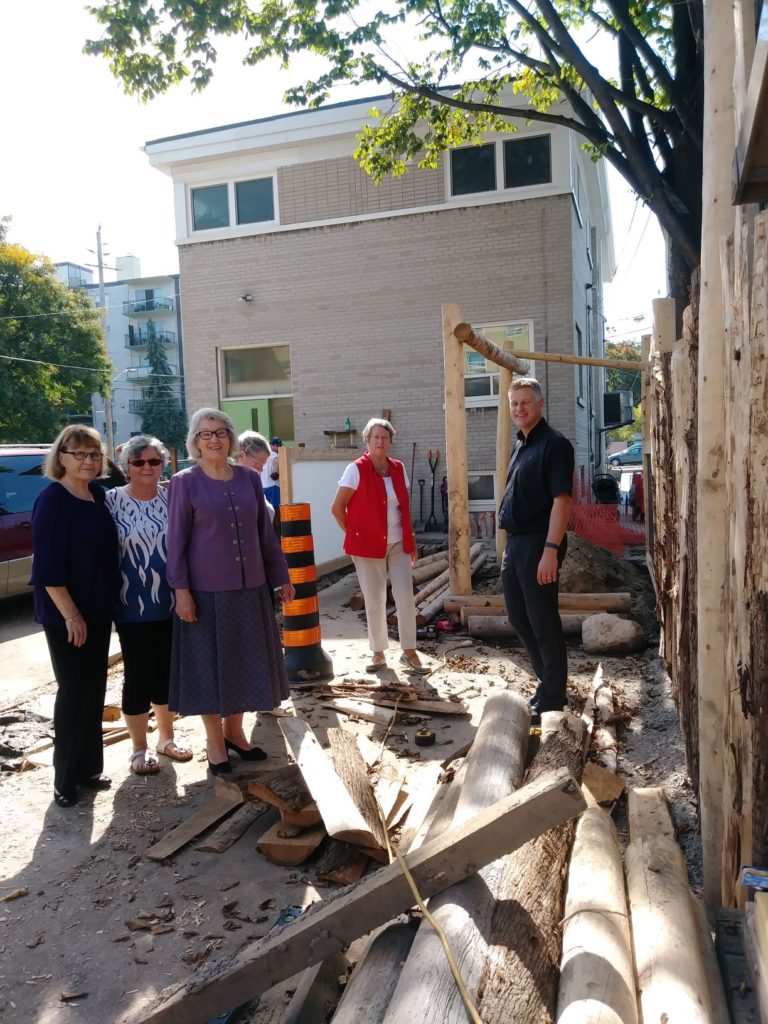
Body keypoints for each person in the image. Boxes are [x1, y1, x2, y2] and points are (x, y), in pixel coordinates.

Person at [166, 408, 295, 775]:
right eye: (205, 434)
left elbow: (265, 536)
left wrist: (280, 576)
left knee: (243, 664)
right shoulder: (184, 482)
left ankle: (235, 733)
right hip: (205, 594)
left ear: (230, 438)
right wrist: (181, 591)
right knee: (208, 670)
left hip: (250, 589)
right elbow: (176, 543)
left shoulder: (248, 479)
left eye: (220, 432)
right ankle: (214, 742)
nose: (214, 440)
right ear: (195, 441)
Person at [29, 426, 119, 808]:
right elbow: (47, 569)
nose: (88, 461)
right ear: (61, 457)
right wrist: (71, 615)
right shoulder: (52, 500)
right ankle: (64, 778)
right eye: (79, 454)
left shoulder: (97, 495)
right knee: (72, 692)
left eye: (94, 454)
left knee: (94, 690)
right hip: (66, 615)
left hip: (99, 610)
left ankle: (88, 770)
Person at [105, 435, 193, 776]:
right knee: (138, 676)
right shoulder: (111, 501)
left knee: (167, 673)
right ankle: (139, 748)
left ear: (163, 465)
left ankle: (166, 738)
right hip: (131, 605)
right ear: (127, 466)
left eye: (153, 461)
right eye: (138, 462)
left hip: (172, 602)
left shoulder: (172, 500)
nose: (146, 467)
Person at [497, 378, 575, 721]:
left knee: (543, 621)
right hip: (515, 545)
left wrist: (550, 550)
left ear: (540, 404)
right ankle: (548, 684)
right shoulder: (519, 444)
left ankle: (554, 698)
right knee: (518, 616)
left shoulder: (555, 445)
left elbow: (563, 501)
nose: (519, 409)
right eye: (514, 403)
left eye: (525, 402)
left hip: (538, 543)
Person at [331, 417, 429, 675]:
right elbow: (337, 508)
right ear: (367, 440)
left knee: (405, 596)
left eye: (385, 437)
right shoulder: (356, 469)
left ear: (390, 442)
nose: (380, 441)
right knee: (374, 599)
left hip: (398, 543)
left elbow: (403, 508)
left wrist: (411, 540)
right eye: (375, 437)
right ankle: (378, 653)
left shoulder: (398, 468)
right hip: (367, 548)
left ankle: (409, 651)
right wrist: (356, 534)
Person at [236, 430, 275, 523]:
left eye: (263, 466)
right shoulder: (229, 485)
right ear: (241, 455)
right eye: (258, 465)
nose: (261, 470)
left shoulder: (252, 484)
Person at [262, 437, 282, 509]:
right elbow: (278, 462)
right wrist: (277, 473)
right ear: (271, 445)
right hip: (273, 484)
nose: (279, 448)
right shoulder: (274, 454)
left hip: (263, 485)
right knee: (275, 509)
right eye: (277, 446)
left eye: (280, 446)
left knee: (266, 509)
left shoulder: (263, 454)